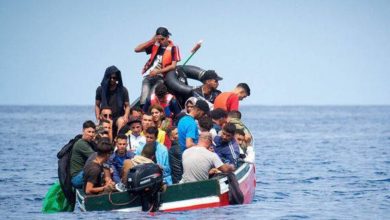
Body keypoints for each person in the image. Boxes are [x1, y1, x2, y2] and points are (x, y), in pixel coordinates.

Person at [135, 27, 181, 108]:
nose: (161, 41)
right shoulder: (155, 45)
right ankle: (144, 113)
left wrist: (158, 71)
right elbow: (136, 49)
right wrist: (152, 40)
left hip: (161, 77)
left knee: (151, 98)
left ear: (167, 37)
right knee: (143, 99)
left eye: (162, 39)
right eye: (158, 39)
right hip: (148, 76)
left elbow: (173, 66)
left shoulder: (174, 48)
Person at [95, 65, 130, 135]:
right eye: (110, 77)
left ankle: (118, 139)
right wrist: (98, 116)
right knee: (97, 129)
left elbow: (127, 106)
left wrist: (125, 116)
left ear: (117, 78)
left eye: (114, 78)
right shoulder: (100, 89)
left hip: (118, 117)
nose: (112, 79)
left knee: (121, 122)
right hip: (105, 117)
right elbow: (97, 105)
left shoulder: (123, 90)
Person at [70, 120, 97, 188]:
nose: (91, 134)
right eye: (89, 132)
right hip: (77, 178)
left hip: (83, 174)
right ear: (83, 131)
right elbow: (97, 158)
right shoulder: (81, 144)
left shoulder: (90, 143)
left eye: (93, 132)